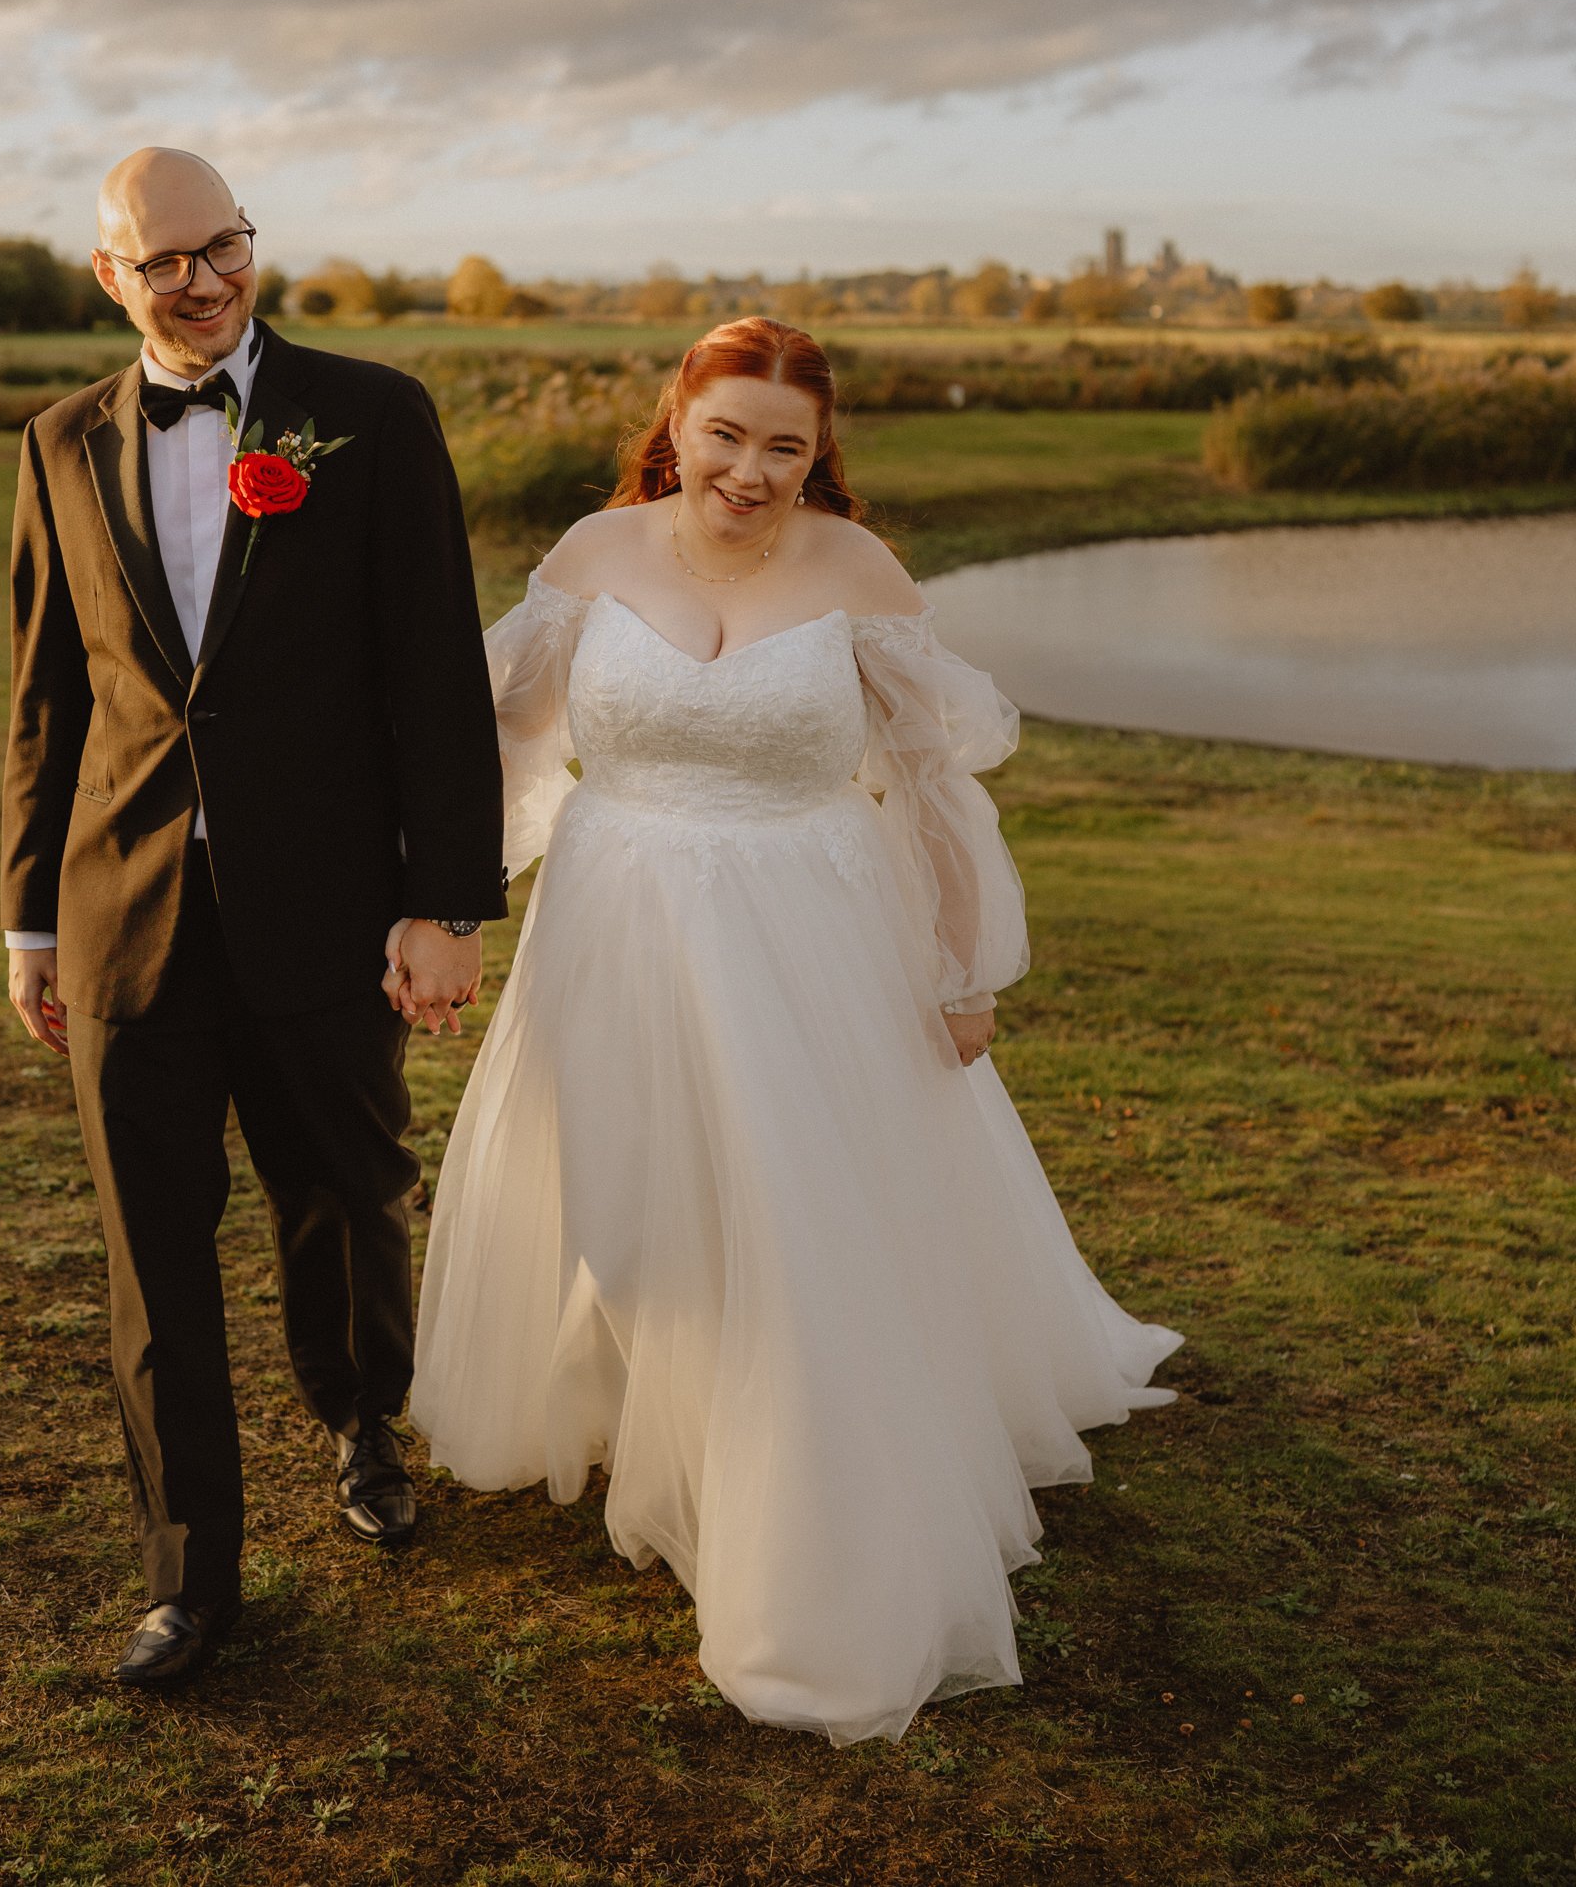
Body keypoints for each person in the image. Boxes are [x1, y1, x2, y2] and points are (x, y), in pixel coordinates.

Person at [410, 317, 1179, 1745]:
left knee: (791, 1222)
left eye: (786, 447)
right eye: (727, 435)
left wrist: (962, 973)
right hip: (617, 914)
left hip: (806, 930)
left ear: (820, 455)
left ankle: (796, 1513)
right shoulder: (592, 555)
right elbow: (490, 719)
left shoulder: (857, 574)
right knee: (631, 1210)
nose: (750, 472)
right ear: (678, 421)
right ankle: (659, 1407)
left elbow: (933, 783)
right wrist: (435, 886)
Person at [1, 146, 505, 1688]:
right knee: (153, 1255)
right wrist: (30, 918)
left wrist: (446, 901)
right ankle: (188, 1579)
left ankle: (363, 1421)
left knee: (345, 1198)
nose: (204, 280)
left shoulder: (373, 413)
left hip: (330, 906)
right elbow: (45, 695)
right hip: (123, 916)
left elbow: (437, 672)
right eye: (165, 262)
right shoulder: (59, 443)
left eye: (223, 245)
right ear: (111, 278)